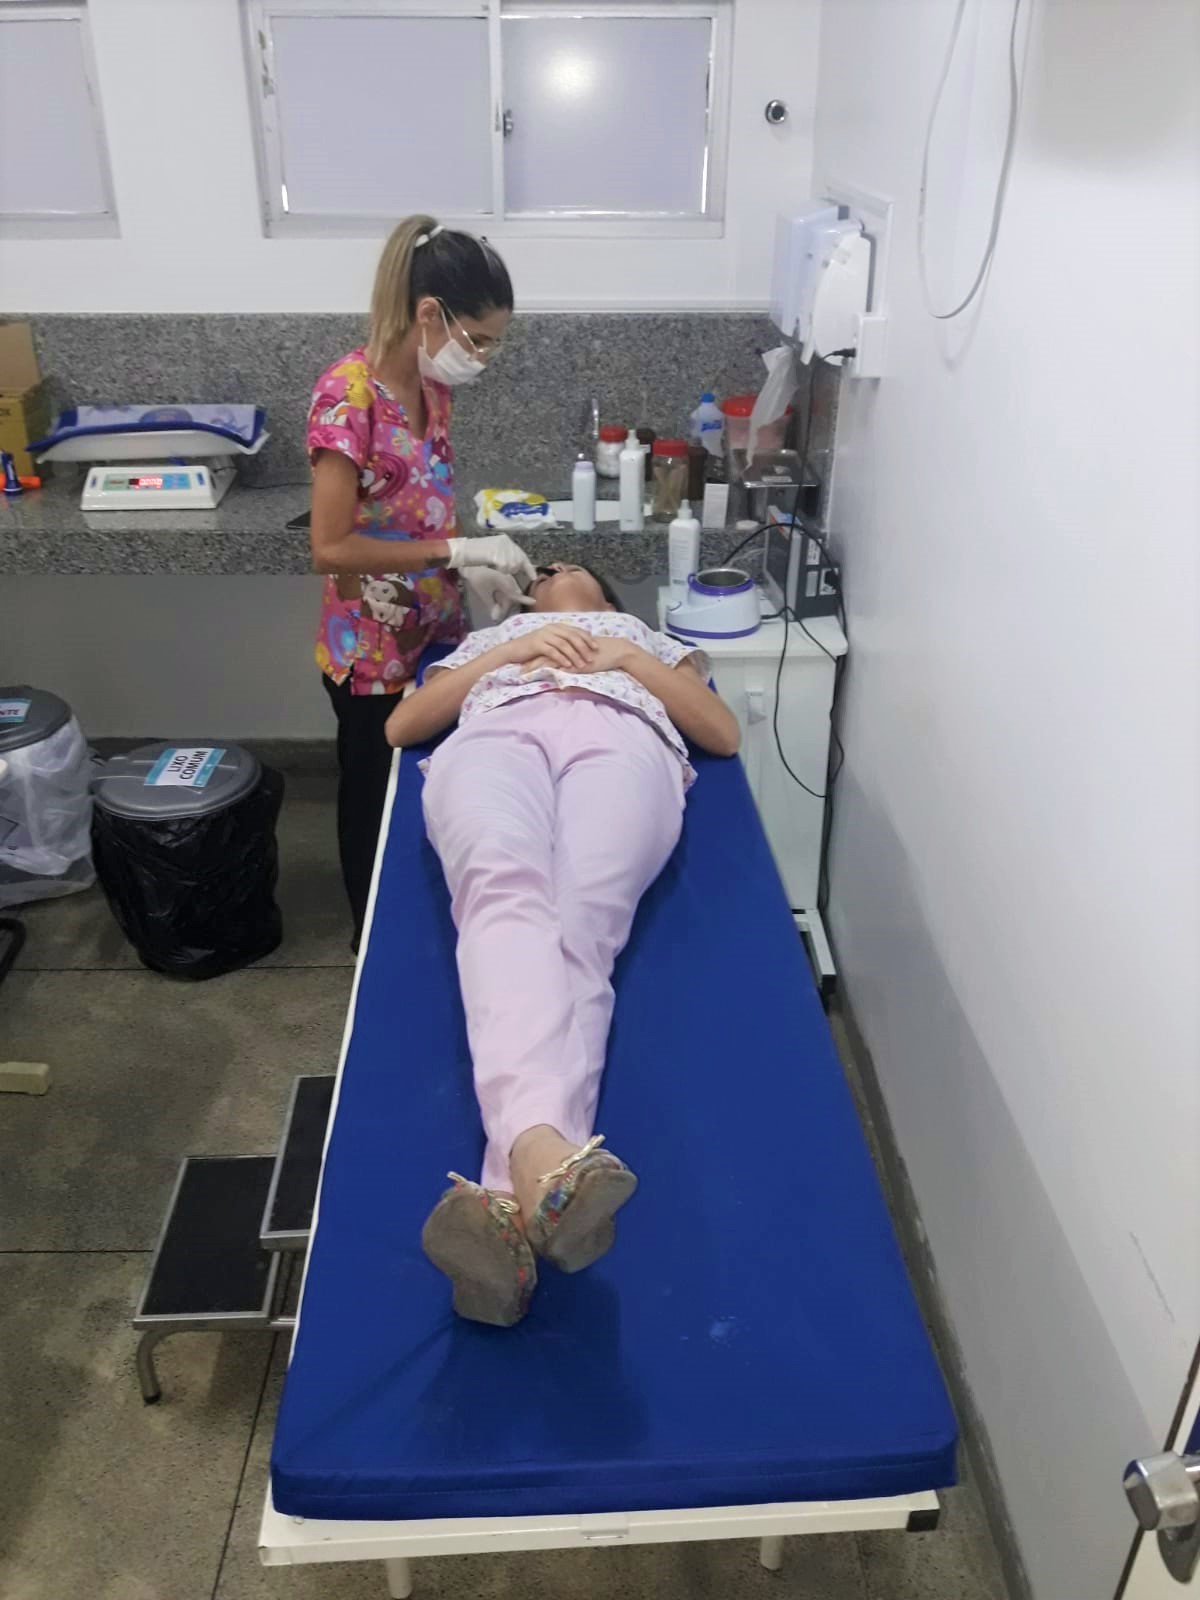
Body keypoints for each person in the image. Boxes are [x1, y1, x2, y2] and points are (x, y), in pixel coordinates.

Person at [385, 564, 741, 1326]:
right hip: (497, 737)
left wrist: (629, 659)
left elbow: (721, 733)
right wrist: (509, 652)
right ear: (525, 600)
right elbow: (402, 727)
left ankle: (509, 1195)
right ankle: (544, 1164)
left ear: (609, 598)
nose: (556, 570)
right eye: (543, 570)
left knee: (582, 924)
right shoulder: (492, 638)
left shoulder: (646, 637)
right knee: (498, 888)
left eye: (572, 564)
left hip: (621, 737)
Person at [306, 214, 534, 946]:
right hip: (371, 651)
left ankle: (429, 928)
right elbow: (330, 547)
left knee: (435, 789)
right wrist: (458, 550)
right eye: (480, 340)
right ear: (429, 314)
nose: (484, 357)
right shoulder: (348, 398)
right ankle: (372, 938)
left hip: (437, 637)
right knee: (374, 800)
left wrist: (472, 570)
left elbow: (420, 504)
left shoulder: (434, 391)